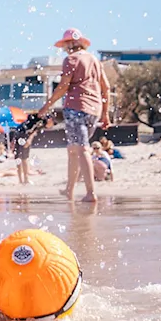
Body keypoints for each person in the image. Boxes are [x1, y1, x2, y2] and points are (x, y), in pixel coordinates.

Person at [38, 28, 111, 202]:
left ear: (70, 44)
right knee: (73, 149)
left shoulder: (70, 60)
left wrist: (47, 106)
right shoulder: (94, 59)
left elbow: (63, 86)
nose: (64, 48)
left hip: (76, 107)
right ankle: (69, 190)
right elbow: (106, 87)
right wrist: (106, 113)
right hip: (94, 110)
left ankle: (90, 193)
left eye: (64, 45)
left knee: (82, 148)